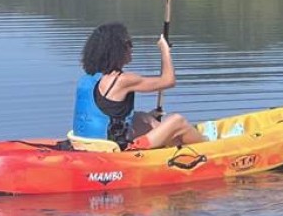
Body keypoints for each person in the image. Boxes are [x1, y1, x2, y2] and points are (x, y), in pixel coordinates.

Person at [72, 22, 206, 150]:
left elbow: (106, 113)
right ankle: (209, 148)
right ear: (117, 49)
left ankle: (175, 144)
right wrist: (165, 50)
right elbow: (168, 81)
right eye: (128, 44)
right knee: (178, 121)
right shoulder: (122, 80)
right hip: (113, 148)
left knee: (143, 118)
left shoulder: (87, 79)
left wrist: (149, 117)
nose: (132, 48)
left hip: (87, 143)